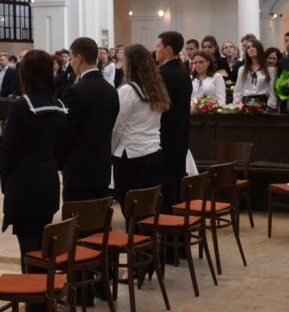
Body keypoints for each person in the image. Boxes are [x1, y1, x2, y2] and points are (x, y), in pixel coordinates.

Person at [0, 50, 67, 271]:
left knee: (29, 249)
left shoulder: (23, 106)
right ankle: (44, 288)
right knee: (42, 245)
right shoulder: (59, 104)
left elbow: (8, 151)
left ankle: (35, 291)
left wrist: (6, 184)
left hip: (24, 184)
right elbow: (62, 147)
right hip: (48, 180)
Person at [58, 37, 119, 202]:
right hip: (102, 166)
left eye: (71, 58)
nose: (71, 63)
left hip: (78, 168)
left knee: (78, 215)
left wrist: (60, 162)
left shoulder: (75, 91)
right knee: (98, 213)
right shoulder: (111, 91)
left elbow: (67, 131)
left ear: (79, 58)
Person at [112, 44, 169, 215]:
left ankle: (135, 232)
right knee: (148, 207)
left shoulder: (127, 91)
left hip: (131, 155)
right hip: (153, 151)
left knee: (130, 208)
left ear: (131, 64)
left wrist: (110, 149)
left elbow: (117, 125)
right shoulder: (155, 88)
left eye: (125, 61)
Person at [156, 31, 193, 208]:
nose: (156, 50)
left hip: (166, 133)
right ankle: (178, 215)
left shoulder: (163, 73)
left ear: (168, 50)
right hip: (181, 132)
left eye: (158, 46)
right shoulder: (183, 70)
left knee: (168, 180)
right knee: (178, 176)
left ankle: (168, 218)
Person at [234, 39, 278, 110]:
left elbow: (272, 90)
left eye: (253, 46)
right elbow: (238, 90)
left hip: (264, 105)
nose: (251, 49)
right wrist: (238, 105)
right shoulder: (242, 69)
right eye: (248, 47)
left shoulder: (270, 69)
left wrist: (270, 106)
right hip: (246, 105)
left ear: (259, 48)